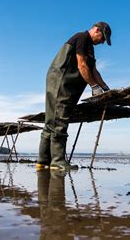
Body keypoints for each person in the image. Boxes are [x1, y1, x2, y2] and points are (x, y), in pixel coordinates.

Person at [38, 22, 112, 170]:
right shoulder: (82, 38)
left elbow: (93, 71)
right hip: (60, 81)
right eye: (103, 38)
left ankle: (43, 162)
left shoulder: (89, 47)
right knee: (60, 118)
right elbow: (82, 65)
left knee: (51, 121)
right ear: (96, 30)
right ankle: (57, 161)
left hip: (64, 84)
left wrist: (105, 88)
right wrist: (94, 86)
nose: (103, 42)